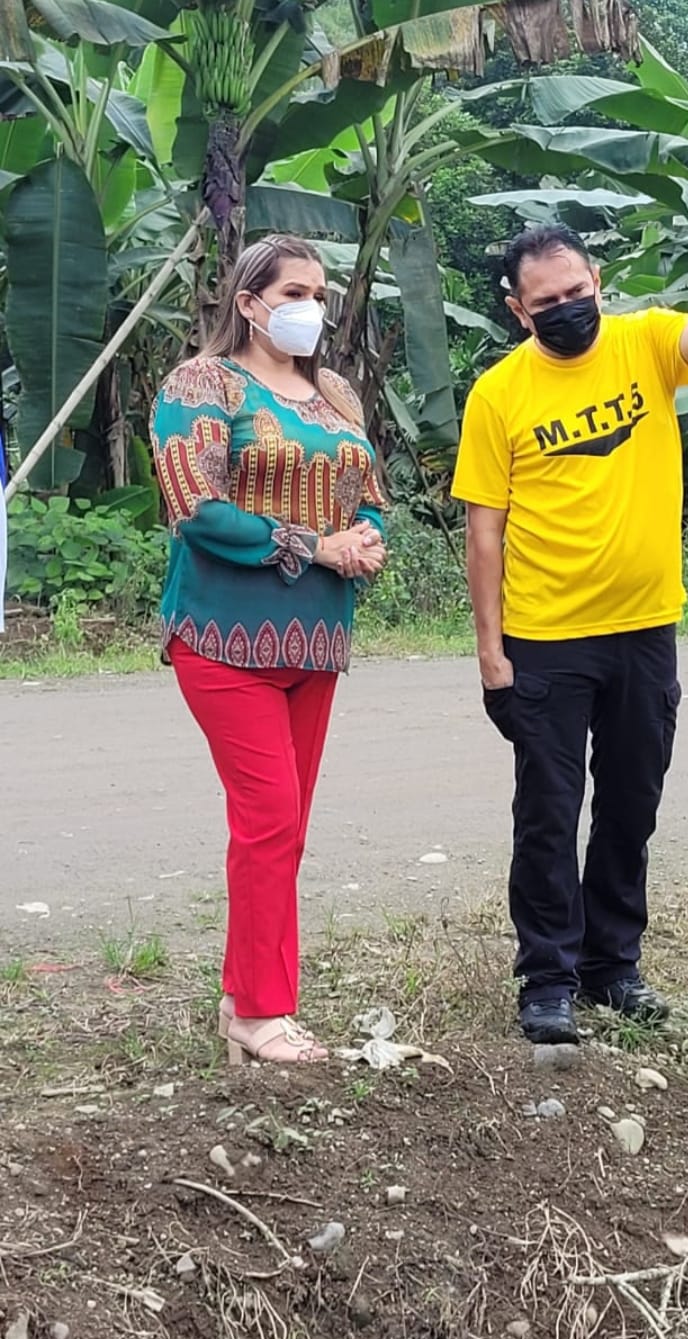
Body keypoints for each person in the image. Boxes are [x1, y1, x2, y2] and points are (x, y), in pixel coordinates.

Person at [451, 224, 688, 1045]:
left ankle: (612, 964)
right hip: (546, 636)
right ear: (518, 311)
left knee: (631, 802)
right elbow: (484, 532)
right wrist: (490, 651)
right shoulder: (499, 395)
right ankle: (548, 978)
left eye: (577, 292)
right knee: (548, 813)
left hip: (646, 629)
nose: (567, 308)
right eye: (547, 302)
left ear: (598, 281)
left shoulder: (642, 343)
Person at [151, 233, 387, 1065]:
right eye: (293, 293)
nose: (310, 308)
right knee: (269, 818)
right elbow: (197, 507)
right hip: (224, 637)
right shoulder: (202, 384)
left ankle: (246, 993)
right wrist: (317, 547)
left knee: (284, 828)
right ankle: (259, 1012)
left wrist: (366, 536)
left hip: (315, 642)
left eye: (319, 294)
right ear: (250, 303)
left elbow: (368, 493)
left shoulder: (337, 393)